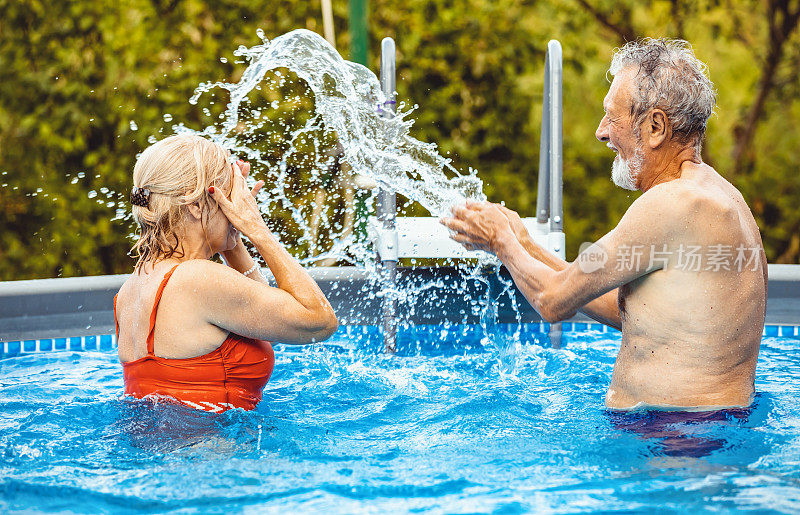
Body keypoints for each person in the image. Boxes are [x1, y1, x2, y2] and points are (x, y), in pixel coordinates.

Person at [442, 39, 767, 411]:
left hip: (672, 439)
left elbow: (553, 301)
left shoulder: (668, 205)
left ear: (656, 126)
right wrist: (524, 243)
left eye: (612, 117)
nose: (601, 132)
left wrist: (501, 241)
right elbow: (638, 313)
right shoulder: (722, 196)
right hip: (710, 429)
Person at [114, 134, 338, 413]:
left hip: (163, 451)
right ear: (195, 206)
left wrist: (232, 243)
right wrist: (256, 228)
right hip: (217, 453)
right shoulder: (198, 280)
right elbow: (319, 321)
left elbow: (272, 322)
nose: (238, 206)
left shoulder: (132, 288)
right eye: (229, 196)